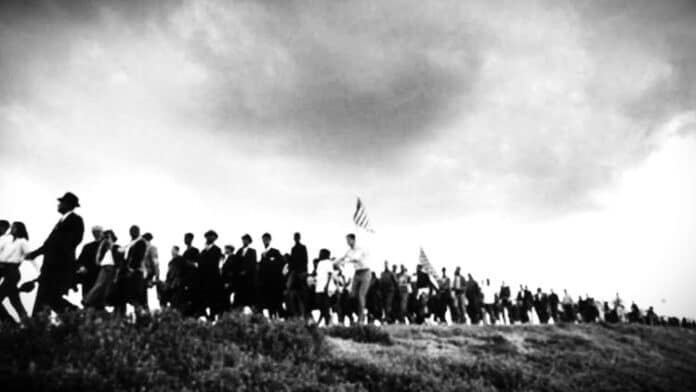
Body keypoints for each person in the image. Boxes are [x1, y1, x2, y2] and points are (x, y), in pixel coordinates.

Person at [26, 192, 84, 315]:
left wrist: (57, 256)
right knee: (46, 298)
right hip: (49, 267)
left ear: (68, 204)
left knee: (51, 298)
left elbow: (73, 241)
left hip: (60, 268)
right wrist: (35, 253)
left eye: (61, 202)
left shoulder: (76, 220)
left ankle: (78, 316)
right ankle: (37, 326)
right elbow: (49, 244)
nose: (59, 204)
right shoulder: (60, 222)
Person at [0, 221, 38, 321]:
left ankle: (10, 323)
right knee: (15, 301)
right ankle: (26, 322)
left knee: (11, 299)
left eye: (14, 227)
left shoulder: (22, 242)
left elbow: (30, 256)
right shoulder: (7, 240)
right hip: (3, 269)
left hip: (12, 272)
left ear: (19, 229)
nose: (11, 229)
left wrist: (39, 270)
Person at [334, 233, 370, 324]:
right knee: (352, 295)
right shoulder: (349, 251)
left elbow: (356, 258)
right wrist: (335, 262)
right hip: (357, 273)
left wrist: (346, 261)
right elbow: (342, 257)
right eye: (346, 240)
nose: (347, 242)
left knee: (361, 295)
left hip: (365, 272)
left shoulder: (360, 248)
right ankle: (355, 314)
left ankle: (361, 319)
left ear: (353, 240)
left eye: (348, 240)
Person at [82, 230, 122, 310]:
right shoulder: (102, 249)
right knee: (99, 284)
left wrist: (117, 274)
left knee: (107, 288)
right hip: (104, 267)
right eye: (105, 237)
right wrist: (102, 245)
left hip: (112, 268)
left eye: (108, 237)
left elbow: (119, 261)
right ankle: (87, 300)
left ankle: (104, 303)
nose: (106, 239)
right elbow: (97, 259)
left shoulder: (117, 247)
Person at [197, 230, 223, 319]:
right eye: (208, 236)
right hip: (203, 280)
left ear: (215, 238)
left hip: (212, 280)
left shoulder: (217, 250)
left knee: (213, 302)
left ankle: (212, 317)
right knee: (203, 301)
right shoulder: (203, 251)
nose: (209, 238)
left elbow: (215, 265)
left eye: (212, 236)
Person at [258, 233, 285, 319]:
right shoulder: (263, 254)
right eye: (263, 239)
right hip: (265, 283)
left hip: (274, 282)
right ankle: (271, 318)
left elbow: (282, 263)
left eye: (266, 239)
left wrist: (272, 265)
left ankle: (277, 318)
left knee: (275, 303)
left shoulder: (275, 251)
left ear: (270, 240)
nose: (264, 241)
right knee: (268, 303)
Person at [75, 225, 104, 298]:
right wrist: (81, 267)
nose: (96, 234)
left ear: (102, 232)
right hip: (88, 274)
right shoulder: (87, 247)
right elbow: (80, 260)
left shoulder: (106, 246)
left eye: (98, 231)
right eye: (94, 232)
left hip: (101, 273)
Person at [286, 232, 308, 318]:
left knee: (301, 295)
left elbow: (305, 260)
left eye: (297, 237)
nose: (296, 239)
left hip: (301, 273)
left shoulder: (303, 247)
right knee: (292, 293)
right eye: (295, 237)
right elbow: (292, 261)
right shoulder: (293, 248)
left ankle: (302, 314)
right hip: (295, 272)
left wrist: (303, 272)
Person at [233, 234, 257, 311]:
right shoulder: (239, 251)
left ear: (249, 242)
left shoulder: (252, 251)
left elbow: (253, 264)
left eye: (246, 240)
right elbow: (235, 263)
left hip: (248, 278)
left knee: (248, 296)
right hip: (239, 278)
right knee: (239, 296)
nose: (245, 241)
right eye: (243, 239)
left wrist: (246, 271)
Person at [313, 249, 335, 326]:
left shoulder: (328, 262)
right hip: (319, 287)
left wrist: (327, 285)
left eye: (321, 253)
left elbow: (330, 274)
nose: (319, 254)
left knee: (326, 305)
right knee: (320, 304)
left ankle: (327, 322)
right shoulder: (319, 263)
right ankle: (326, 320)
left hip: (326, 287)